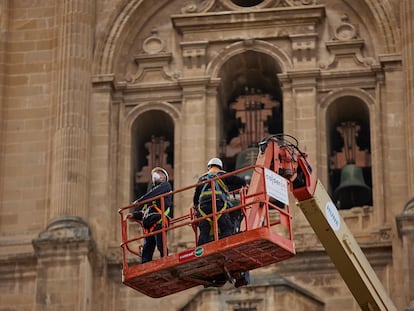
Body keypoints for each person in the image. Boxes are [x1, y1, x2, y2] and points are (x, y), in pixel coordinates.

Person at [193, 158, 246, 246]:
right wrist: (242, 185)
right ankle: (227, 245)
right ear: (220, 167)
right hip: (218, 204)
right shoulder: (222, 175)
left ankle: (200, 250)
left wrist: (195, 206)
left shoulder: (201, 178)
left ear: (209, 167)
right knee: (226, 227)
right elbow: (240, 181)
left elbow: (196, 196)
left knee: (204, 230)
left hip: (203, 207)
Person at [131, 167, 172, 263]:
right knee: (147, 249)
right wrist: (133, 215)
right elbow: (146, 210)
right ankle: (144, 266)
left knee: (160, 244)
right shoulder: (151, 195)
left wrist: (140, 201)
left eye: (161, 174)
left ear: (165, 177)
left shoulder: (166, 186)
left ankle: (166, 261)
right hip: (149, 225)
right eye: (157, 174)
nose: (159, 176)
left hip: (159, 221)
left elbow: (154, 194)